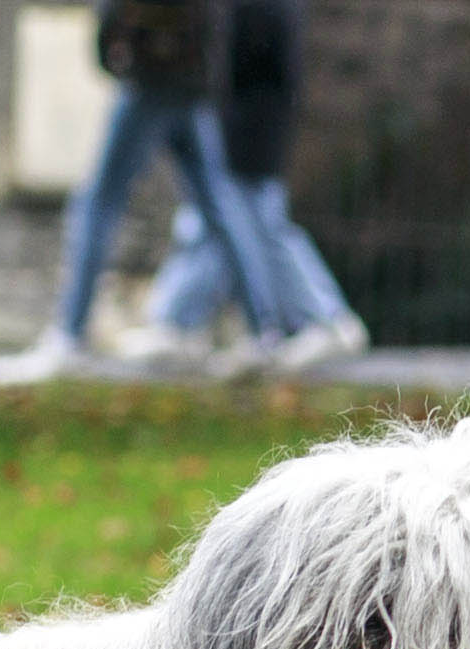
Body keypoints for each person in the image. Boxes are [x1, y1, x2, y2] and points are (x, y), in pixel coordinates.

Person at [0, 0, 292, 385]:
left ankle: (68, 336)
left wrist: (113, 51)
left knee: (97, 204)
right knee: (220, 207)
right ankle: (264, 332)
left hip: (151, 75)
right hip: (190, 76)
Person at [116, 0, 364, 371]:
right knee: (223, 223)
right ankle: (179, 323)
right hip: (244, 126)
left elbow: (254, 62)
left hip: (249, 130)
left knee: (253, 225)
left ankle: (322, 318)